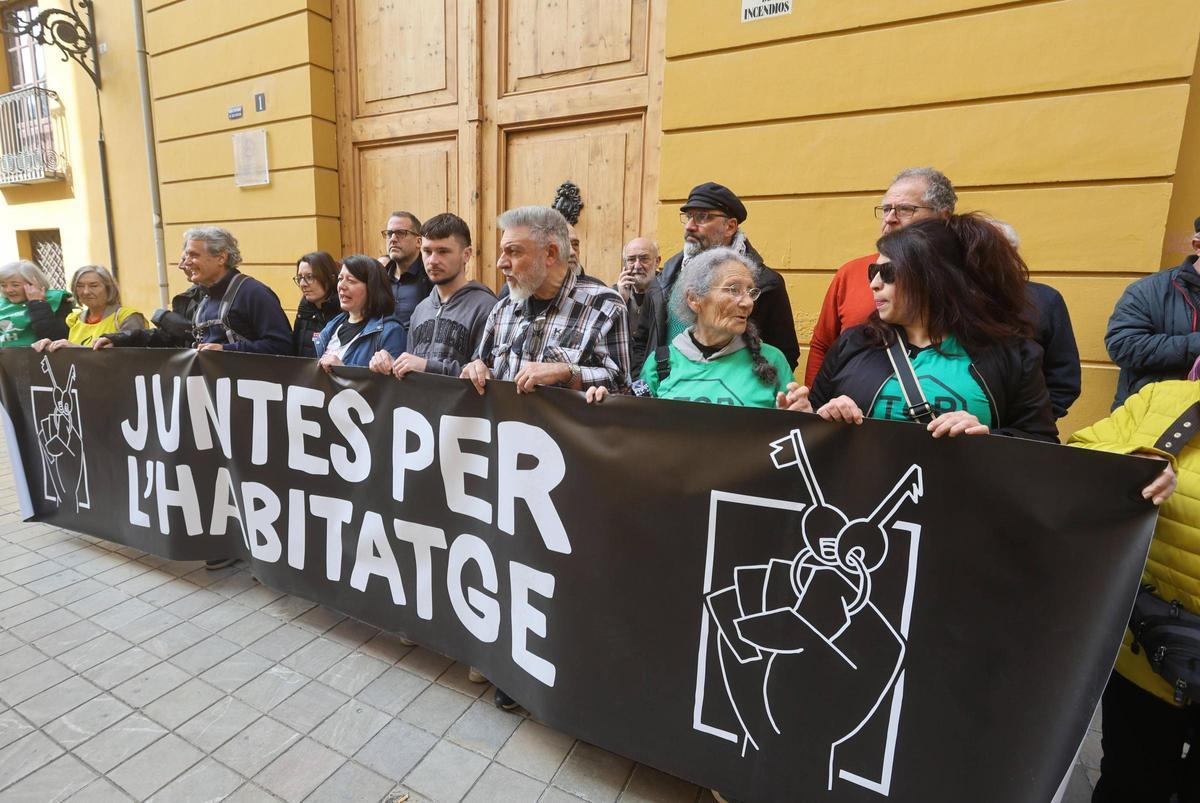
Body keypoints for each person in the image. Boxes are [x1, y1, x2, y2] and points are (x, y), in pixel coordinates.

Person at [460, 205, 629, 711]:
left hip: (566, 476)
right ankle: (503, 660)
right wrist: (476, 367)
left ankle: (554, 668)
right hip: (504, 464)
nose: (502, 264)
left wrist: (568, 373)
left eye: (513, 252)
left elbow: (624, 385)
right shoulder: (502, 307)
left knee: (553, 571)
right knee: (505, 560)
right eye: (503, 252)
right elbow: (485, 360)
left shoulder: (604, 305)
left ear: (550, 252)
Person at [798, 214, 1057, 443]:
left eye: (887, 272)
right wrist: (813, 415)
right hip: (863, 495)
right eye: (873, 271)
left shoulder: (1011, 354)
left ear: (932, 279)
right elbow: (812, 427)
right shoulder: (854, 343)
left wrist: (988, 438)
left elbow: (1041, 443)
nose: (874, 284)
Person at [1068, 372, 1192, 803]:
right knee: (1131, 780)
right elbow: (1078, 453)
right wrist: (1133, 463)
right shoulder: (1164, 399)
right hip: (1147, 653)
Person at [589, 247, 794, 409]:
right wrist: (608, 406)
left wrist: (800, 415)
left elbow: (794, 437)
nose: (748, 302)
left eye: (751, 291)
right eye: (734, 289)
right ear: (694, 299)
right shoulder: (661, 362)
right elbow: (637, 426)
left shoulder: (772, 359)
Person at [805, 167, 956, 386]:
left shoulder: (964, 275)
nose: (890, 218)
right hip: (850, 410)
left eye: (905, 209)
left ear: (943, 217)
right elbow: (823, 344)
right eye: (886, 209)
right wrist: (814, 405)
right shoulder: (851, 273)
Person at [656, 182, 800, 371]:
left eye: (702, 217)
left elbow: (784, 353)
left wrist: (746, 390)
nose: (690, 226)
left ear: (730, 226)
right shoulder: (669, 272)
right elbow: (645, 338)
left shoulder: (766, 283)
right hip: (670, 389)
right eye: (689, 216)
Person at [368, 213, 496, 379]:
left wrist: (427, 367)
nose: (433, 260)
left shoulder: (486, 307)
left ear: (466, 254)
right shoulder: (420, 310)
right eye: (427, 251)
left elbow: (486, 377)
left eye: (443, 251)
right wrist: (392, 365)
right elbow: (410, 373)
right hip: (419, 404)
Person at [989, 220, 1082, 420]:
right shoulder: (948, 300)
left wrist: (1037, 419)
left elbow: (1064, 376)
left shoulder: (1045, 299)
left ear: (1013, 253)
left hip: (1024, 429)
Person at [1105, 216, 1200, 409]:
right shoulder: (1147, 290)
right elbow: (1123, 345)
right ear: (1197, 245)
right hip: (1152, 418)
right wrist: (1196, 345)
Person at [182, 227, 292, 355]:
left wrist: (226, 350)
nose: (186, 263)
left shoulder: (254, 293)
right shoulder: (204, 296)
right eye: (186, 256)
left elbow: (282, 346)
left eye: (194, 255)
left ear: (221, 258)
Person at [95, 252, 205, 350]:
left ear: (220, 258)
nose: (181, 266)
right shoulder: (187, 298)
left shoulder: (219, 298)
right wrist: (119, 340)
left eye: (188, 258)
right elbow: (167, 337)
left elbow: (208, 339)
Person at [315, 255, 404, 371]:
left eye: (351, 281)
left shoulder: (390, 331)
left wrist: (344, 370)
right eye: (340, 279)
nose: (341, 286)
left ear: (372, 287)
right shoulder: (333, 325)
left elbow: (392, 385)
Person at [33, 266, 145, 351]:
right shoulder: (73, 320)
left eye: (94, 286)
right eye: (80, 286)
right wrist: (49, 345)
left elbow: (131, 356)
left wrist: (76, 349)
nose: (85, 292)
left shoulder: (127, 317)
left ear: (109, 289)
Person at [379, 210, 432, 336]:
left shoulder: (431, 277)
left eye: (401, 233)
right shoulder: (379, 278)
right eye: (389, 233)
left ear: (419, 242)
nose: (393, 239)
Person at [615, 237, 663, 376]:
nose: (637, 265)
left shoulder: (667, 295)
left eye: (644, 259)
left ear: (657, 261)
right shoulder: (614, 294)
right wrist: (620, 301)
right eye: (631, 260)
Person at [0, 260, 71, 348]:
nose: (9, 290)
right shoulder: (2, 304)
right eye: (3, 285)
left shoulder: (58, 301)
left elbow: (54, 337)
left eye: (15, 285)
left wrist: (37, 303)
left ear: (34, 284)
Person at [292, 251, 341, 358]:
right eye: (300, 278)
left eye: (309, 277)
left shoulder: (344, 312)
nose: (302, 284)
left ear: (330, 278)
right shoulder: (304, 311)